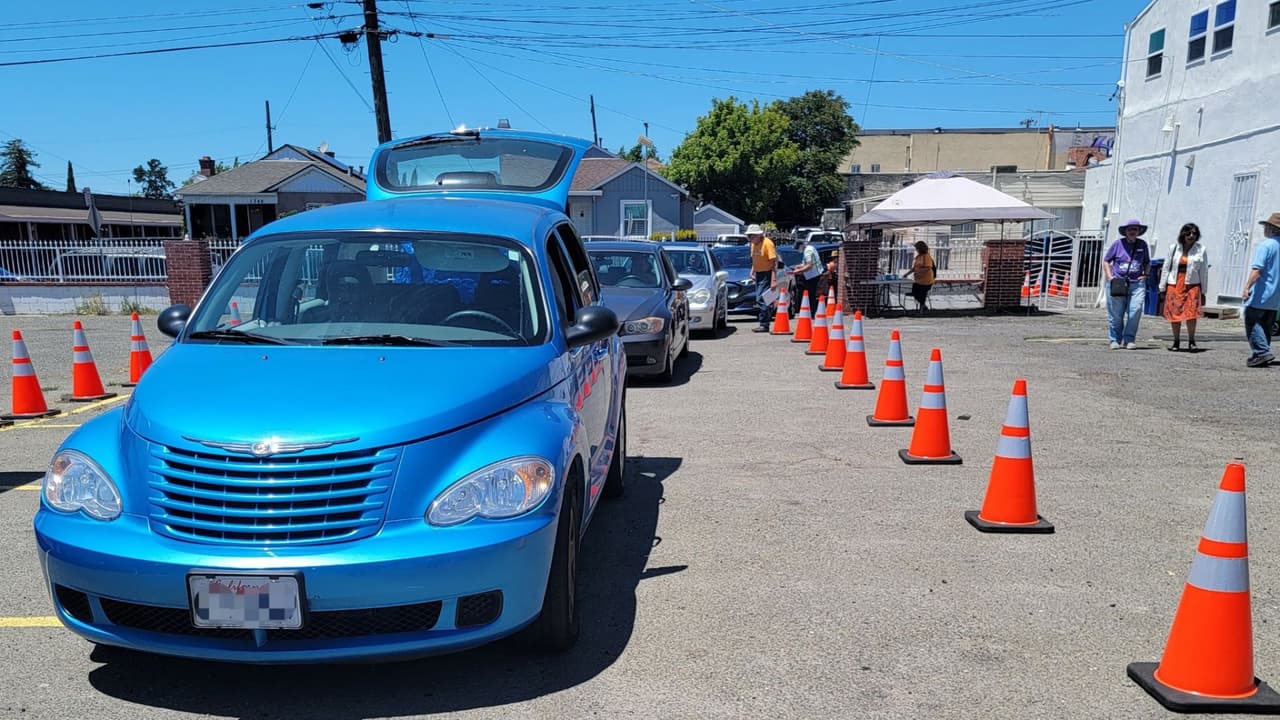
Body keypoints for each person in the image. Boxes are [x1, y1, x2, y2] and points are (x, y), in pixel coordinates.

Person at [1159, 222, 1209, 351]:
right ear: (1183, 234)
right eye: (1188, 233)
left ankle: (1191, 341)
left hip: (1192, 285)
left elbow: (1203, 271)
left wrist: (1203, 291)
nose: (1191, 236)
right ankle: (1176, 341)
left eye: (1194, 233)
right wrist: (1162, 287)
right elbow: (1166, 267)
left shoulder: (1201, 249)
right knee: (1175, 314)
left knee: (1191, 314)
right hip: (1175, 284)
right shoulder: (1174, 248)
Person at [1103, 219, 1151, 349]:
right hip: (1118, 283)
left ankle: (1129, 339)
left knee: (1135, 311)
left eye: (1135, 229)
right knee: (1116, 314)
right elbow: (1106, 260)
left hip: (1137, 284)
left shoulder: (1142, 245)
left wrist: (1145, 275)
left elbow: (1147, 262)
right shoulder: (1117, 244)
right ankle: (1114, 340)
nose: (1132, 231)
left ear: (1139, 231)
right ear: (1125, 231)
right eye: (1130, 229)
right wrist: (1109, 276)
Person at [1241, 212, 1280, 367]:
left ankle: (1263, 352)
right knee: (1266, 325)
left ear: (1271, 228)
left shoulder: (1266, 246)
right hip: (1275, 296)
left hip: (1261, 293)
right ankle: (1260, 354)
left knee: (1252, 321)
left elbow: (1257, 270)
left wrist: (1247, 287)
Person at [747, 224, 778, 333]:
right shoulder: (753, 244)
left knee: (761, 298)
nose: (750, 238)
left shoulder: (767, 244)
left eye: (751, 236)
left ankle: (764, 324)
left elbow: (773, 262)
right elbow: (755, 259)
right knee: (763, 298)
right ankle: (765, 320)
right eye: (749, 236)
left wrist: (773, 280)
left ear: (758, 235)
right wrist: (752, 271)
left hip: (767, 273)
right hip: (759, 273)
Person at [789, 236, 823, 316]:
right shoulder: (810, 248)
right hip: (815, 274)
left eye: (798, 248)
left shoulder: (807, 251)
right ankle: (811, 311)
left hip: (812, 275)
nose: (798, 250)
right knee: (811, 293)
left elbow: (809, 265)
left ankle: (811, 312)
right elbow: (807, 263)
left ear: (801, 245)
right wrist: (799, 266)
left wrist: (798, 271)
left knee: (811, 294)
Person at [901, 241, 935, 315]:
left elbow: (928, 268)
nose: (916, 250)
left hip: (926, 280)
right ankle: (923, 306)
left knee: (922, 293)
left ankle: (922, 309)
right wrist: (907, 274)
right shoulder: (918, 257)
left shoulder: (927, 256)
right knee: (915, 293)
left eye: (917, 248)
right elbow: (914, 268)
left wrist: (919, 271)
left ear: (921, 248)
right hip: (918, 280)